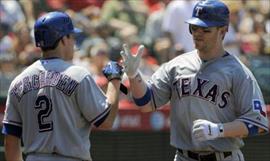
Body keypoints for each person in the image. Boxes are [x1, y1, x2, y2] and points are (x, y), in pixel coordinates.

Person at [120, 0, 269, 161]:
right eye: (194, 27)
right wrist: (134, 76)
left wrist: (219, 130)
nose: (197, 33)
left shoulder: (238, 72)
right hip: (184, 156)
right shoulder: (176, 65)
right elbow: (146, 103)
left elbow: (257, 123)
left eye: (205, 29)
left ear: (223, 31)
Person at [2, 11, 123, 161]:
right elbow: (107, 121)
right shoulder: (77, 75)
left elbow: (10, 142)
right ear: (63, 39)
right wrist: (114, 80)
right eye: (72, 37)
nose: (74, 42)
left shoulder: (18, 81)